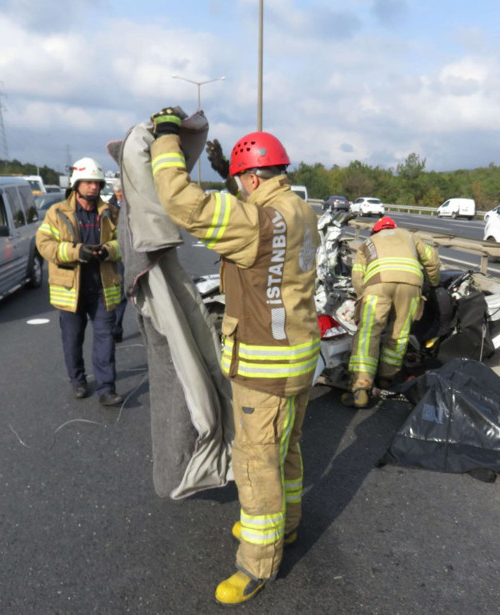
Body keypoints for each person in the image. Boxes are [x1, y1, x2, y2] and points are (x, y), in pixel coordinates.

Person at [149, 108, 320, 606]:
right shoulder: (298, 209)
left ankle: (258, 561)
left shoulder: (257, 221)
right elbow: (257, 219)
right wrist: (233, 174)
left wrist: (165, 140)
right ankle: (285, 527)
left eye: (240, 182)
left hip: (265, 364)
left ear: (250, 178)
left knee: (255, 461)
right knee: (286, 447)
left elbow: (183, 203)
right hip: (300, 357)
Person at [36, 157, 125, 407]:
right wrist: (77, 252)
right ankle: (78, 380)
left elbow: (126, 243)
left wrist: (108, 250)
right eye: (87, 182)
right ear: (76, 184)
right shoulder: (56, 213)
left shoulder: (111, 212)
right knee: (72, 340)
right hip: (70, 290)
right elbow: (44, 245)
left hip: (102, 287)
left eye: (96, 182)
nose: (93, 187)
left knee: (105, 339)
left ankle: (107, 389)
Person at [345, 216, 440, 408]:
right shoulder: (410, 236)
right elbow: (432, 259)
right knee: (399, 332)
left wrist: (363, 297)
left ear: (376, 231)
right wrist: (433, 283)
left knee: (369, 332)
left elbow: (357, 275)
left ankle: (361, 386)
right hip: (411, 286)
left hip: (378, 285)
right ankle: (387, 378)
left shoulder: (368, 242)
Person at [108, 179, 128, 342]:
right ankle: (116, 327)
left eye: (121, 194)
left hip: (135, 251)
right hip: (119, 253)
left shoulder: (133, 204)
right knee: (120, 292)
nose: (119, 197)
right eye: (117, 194)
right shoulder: (110, 206)